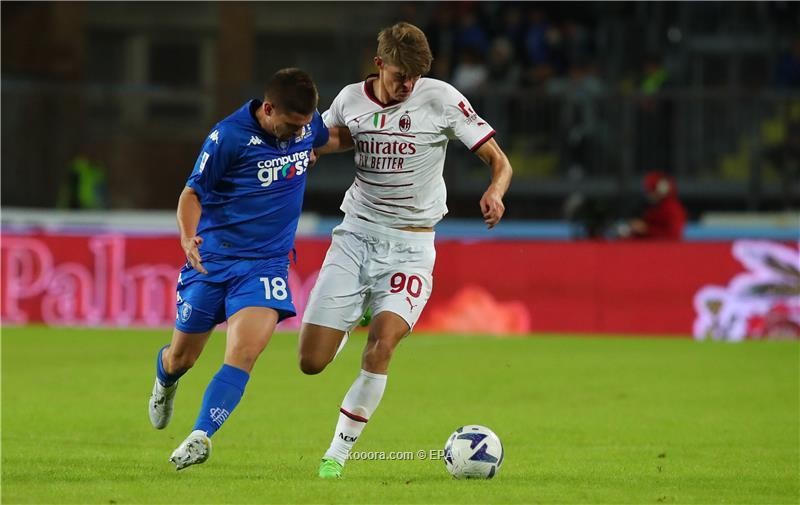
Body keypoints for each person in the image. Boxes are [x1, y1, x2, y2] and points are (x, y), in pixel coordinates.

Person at [298, 22, 513, 479]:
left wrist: (495, 191)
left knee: (383, 343)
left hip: (411, 246)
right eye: (399, 76)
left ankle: (336, 455)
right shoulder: (350, 100)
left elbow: (499, 159)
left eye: (415, 77)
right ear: (379, 65)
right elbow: (342, 135)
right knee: (310, 362)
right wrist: (315, 148)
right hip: (355, 237)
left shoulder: (441, 99)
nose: (407, 86)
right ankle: (349, 318)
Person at [147, 68, 352, 470]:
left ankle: (201, 434)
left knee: (244, 352)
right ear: (269, 108)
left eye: (303, 127)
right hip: (212, 261)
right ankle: (165, 380)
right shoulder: (228, 138)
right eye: (291, 126)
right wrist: (188, 237)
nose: (298, 133)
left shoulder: (307, 127)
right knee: (182, 358)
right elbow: (192, 193)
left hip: (266, 264)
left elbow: (335, 138)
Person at [619, 170, 687, 240]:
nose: (649, 194)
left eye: (651, 190)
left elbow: (673, 236)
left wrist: (646, 229)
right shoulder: (652, 207)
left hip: (666, 248)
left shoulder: (672, 208)